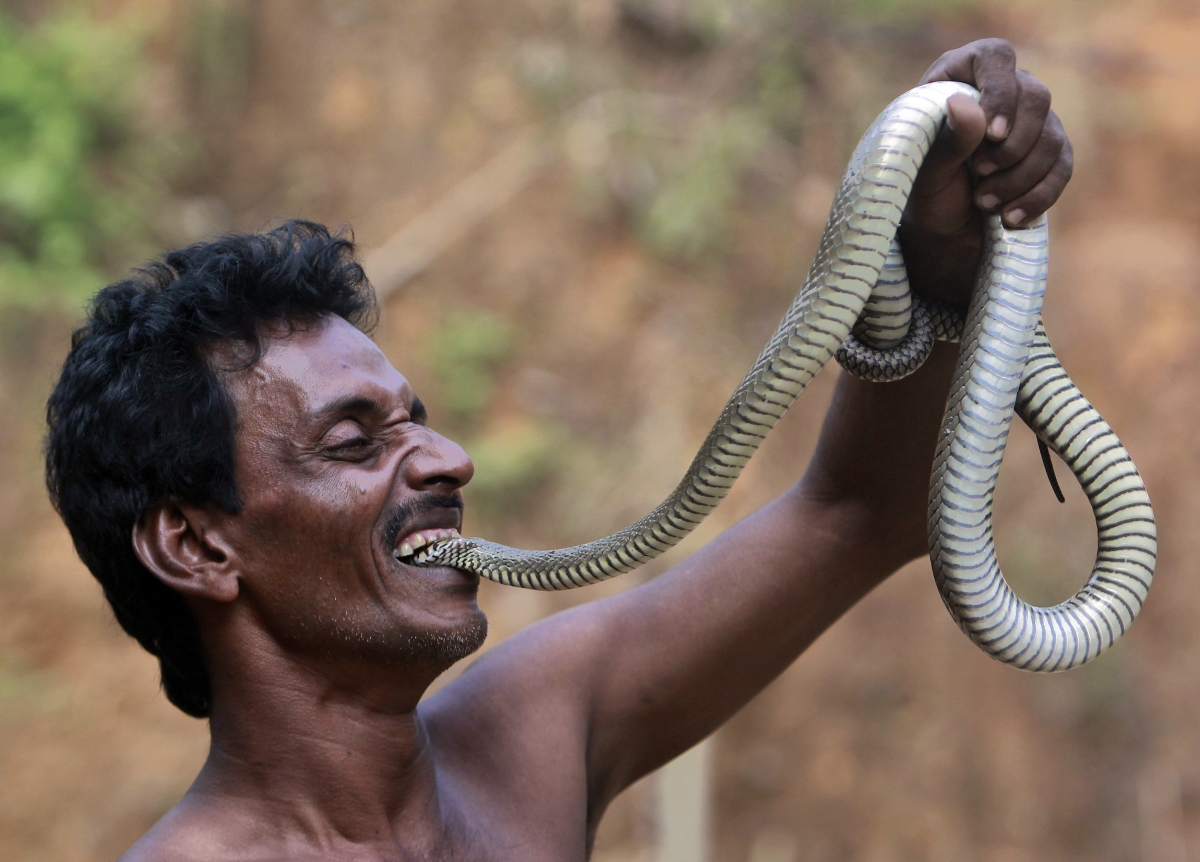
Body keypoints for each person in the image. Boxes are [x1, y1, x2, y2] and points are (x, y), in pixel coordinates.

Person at [44, 39, 1072, 861]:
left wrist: (935, 241)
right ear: (195, 547)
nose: (447, 460)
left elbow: (861, 511)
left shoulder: (522, 745)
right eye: (354, 441)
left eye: (417, 418)